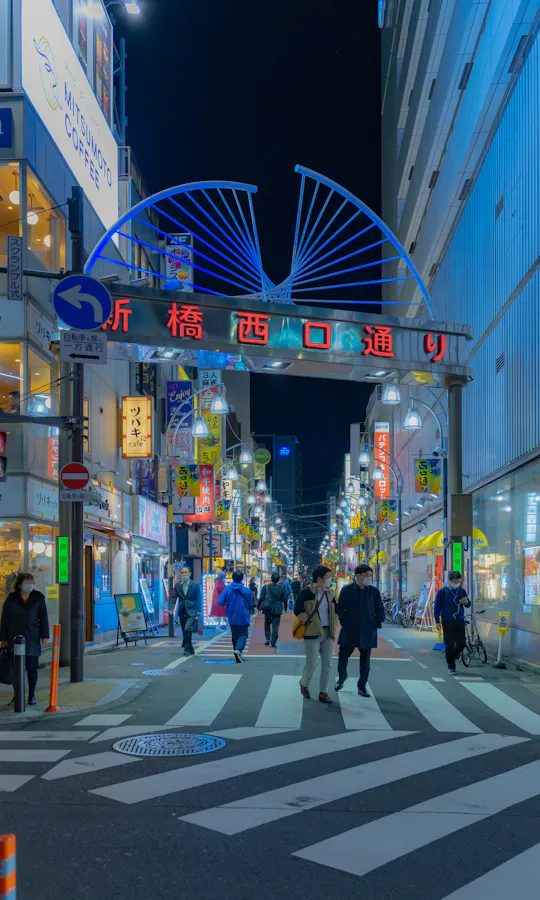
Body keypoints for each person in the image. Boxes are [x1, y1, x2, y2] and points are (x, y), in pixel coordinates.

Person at [335, 564, 385, 698]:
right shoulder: (346, 590)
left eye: (370, 576)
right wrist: (344, 621)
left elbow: (380, 608)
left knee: (365, 661)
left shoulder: (373, 592)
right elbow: (340, 608)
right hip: (350, 628)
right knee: (343, 656)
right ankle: (342, 677)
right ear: (358, 575)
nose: (369, 578)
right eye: (366, 575)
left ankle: (362, 686)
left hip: (367, 629)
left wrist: (377, 622)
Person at [0, 572, 49, 705]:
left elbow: (43, 617)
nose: (30, 584)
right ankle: (18, 694)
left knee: (32, 668)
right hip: (14, 637)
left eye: (31, 581)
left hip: (32, 637)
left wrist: (45, 635)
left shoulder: (38, 598)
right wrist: (3, 638)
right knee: (16, 669)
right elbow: (5, 618)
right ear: (20, 584)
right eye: (27, 582)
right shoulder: (11, 598)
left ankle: (32, 694)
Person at [294, 564, 338, 704]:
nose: (329, 580)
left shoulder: (330, 593)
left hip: (327, 632)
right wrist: (308, 620)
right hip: (312, 632)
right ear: (319, 578)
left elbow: (334, 609)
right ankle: (304, 683)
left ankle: (323, 692)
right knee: (311, 662)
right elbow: (297, 610)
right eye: (327, 577)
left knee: (327, 664)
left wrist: (335, 620)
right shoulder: (307, 592)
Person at [434, 570, 471, 674]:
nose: (456, 583)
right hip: (447, 621)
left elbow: (468, 605)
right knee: (449, 644)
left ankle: (454, 655)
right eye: (455, 581)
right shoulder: (442, 592)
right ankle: (451, 665)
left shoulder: (461, 591)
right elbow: (437, 608)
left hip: (459, 621)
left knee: (461, 643)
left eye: (458, 581)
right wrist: (437, 621)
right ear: (449, 581)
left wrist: (466, 602)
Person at [218, 571, 253, 662]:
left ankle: (236, 652)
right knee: (243, 635)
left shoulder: (227, 590)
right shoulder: (246, 590)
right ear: (242, 578)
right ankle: (238, 650)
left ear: (232, 578)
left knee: (235, 635)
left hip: (231, 615)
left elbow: (220, 602)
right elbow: (250, 603)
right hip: (243, 615)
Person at [173, 566, 201, 656]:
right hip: (182, 610)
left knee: (187, 628)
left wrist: (199, 610)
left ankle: (186, 647)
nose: (184, 574)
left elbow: (198, 598)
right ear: (180, 574)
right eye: (182, 573)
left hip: (192, 610)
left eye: (186, 573)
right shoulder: (177, 585)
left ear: (190, 574)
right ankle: (190, 647)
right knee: (184, 630)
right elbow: (173, 597)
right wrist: (171, 608)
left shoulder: (195, 584)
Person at [262, 572, 287, 647]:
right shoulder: (281, 587)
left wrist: (259, 606)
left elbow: (262, 597)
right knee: (275, 626)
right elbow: (283, 599)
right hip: (277, 608)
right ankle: (273, 642)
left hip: (268, 607)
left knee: (267, 623)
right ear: (278, 579)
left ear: (271, 579)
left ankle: (267, 639)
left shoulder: (266, 587)